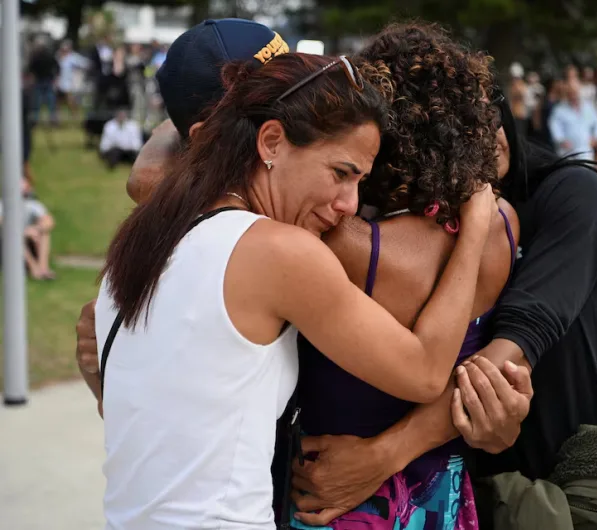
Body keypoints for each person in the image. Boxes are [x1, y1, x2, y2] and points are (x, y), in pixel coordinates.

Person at [94, 21, 497, 530]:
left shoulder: (140, 239)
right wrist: (477, 221)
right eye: (340, 172)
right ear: (271, 140)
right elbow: (423, 372)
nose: (349, 204)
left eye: (361, 181)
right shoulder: (278, 252)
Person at [284, 57, 597, 529]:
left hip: (580, 491)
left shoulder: (572, 197)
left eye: (490, 108)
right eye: (460, 117)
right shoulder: (451, 218)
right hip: (490, 485)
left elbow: (510, 352)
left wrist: (380, 457)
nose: (485, 130)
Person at [548, 79, 597, 159]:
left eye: (575, 92)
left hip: (585, 148)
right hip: (566, 149)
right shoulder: (559, 109)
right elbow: (553, 125)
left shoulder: (589, 107)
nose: (573, 95)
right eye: (570, 93)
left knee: (586, 171)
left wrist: (596, 137)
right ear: (567, 94)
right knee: (567, 171)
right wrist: (560, 140)